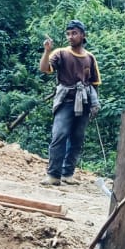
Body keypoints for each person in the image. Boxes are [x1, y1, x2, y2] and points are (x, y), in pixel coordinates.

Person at [39, 21, 101, 186]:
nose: (70, 37)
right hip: (66, 100)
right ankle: (53, 175)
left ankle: (68, 174)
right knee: (59, 134)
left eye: (74, 33)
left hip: (85, 101)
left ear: (83, 35)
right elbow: (45, 68)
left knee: (77, 138)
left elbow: (94, 83)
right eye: (68, 34)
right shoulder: (60, 53)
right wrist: (47, 51)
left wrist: (95, 104)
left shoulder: (90, 58)